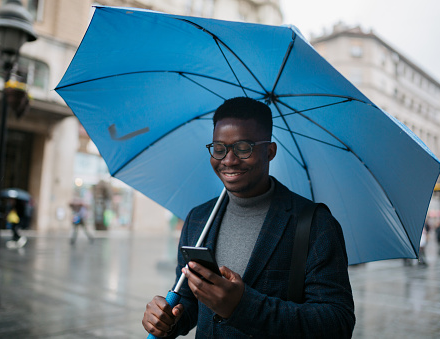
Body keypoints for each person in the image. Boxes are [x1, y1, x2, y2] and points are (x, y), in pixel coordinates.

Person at [142, 97, 355, 338]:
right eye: (219, 148)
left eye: (243, 148)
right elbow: (190, 300)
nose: (228, 160)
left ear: (270, 151)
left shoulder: (315, 224)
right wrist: (168, 319)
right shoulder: (198, 218)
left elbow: (337, 323)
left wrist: (241, 306)